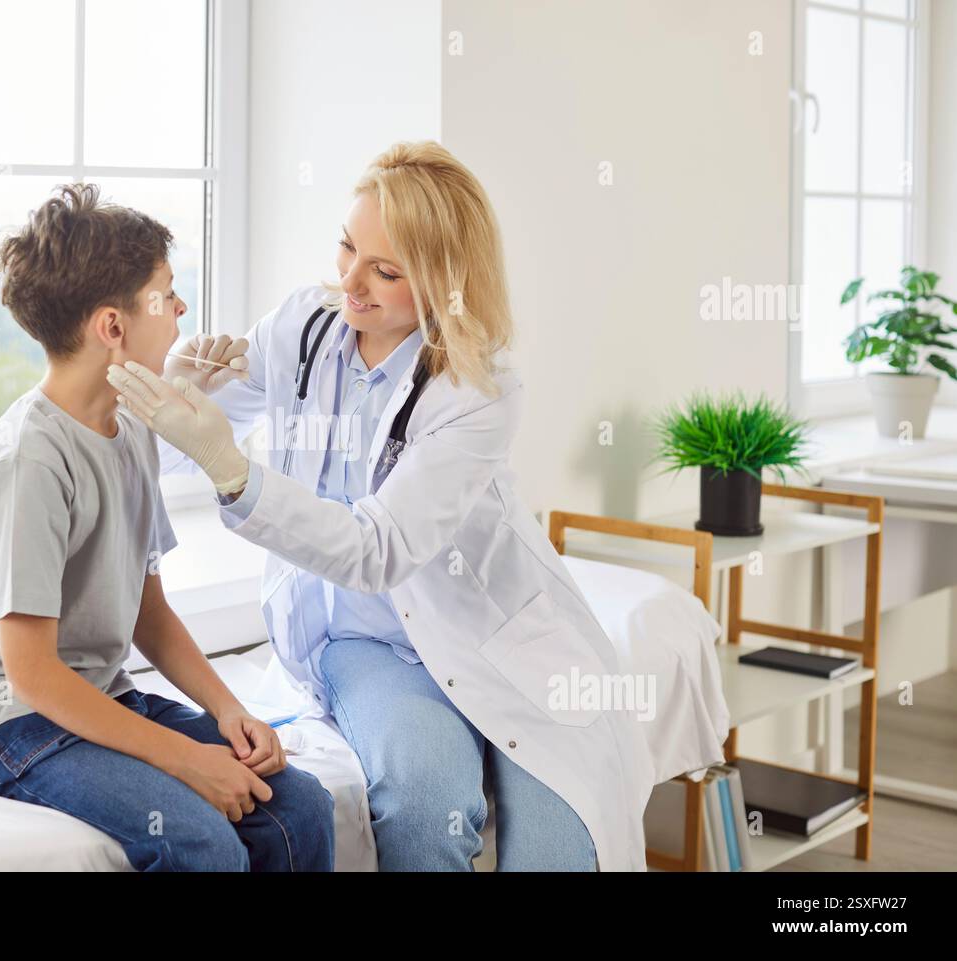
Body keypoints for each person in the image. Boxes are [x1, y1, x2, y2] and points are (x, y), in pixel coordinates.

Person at [109, 142, 656, 871]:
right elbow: (173, 447)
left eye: (386, 271)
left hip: (502, 639)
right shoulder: (303, 329)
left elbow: (377, 549)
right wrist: (170, 385)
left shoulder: (479, 388)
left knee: (559, 849)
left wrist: (235, 472)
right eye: (346, 247)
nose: (351, 283)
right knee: (429, 804)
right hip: (369, 643)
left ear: (444, 283)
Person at [0, 183, 335, 872]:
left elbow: (149, 610)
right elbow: (32, 674)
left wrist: (228, 713)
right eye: (165, 294)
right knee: (199, 838)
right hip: (13, 725)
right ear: (112, 327)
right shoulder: (31, 459)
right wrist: (188, 759)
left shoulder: (132, 425)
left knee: (302, 807)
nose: (180, 310)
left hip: (96, 701)